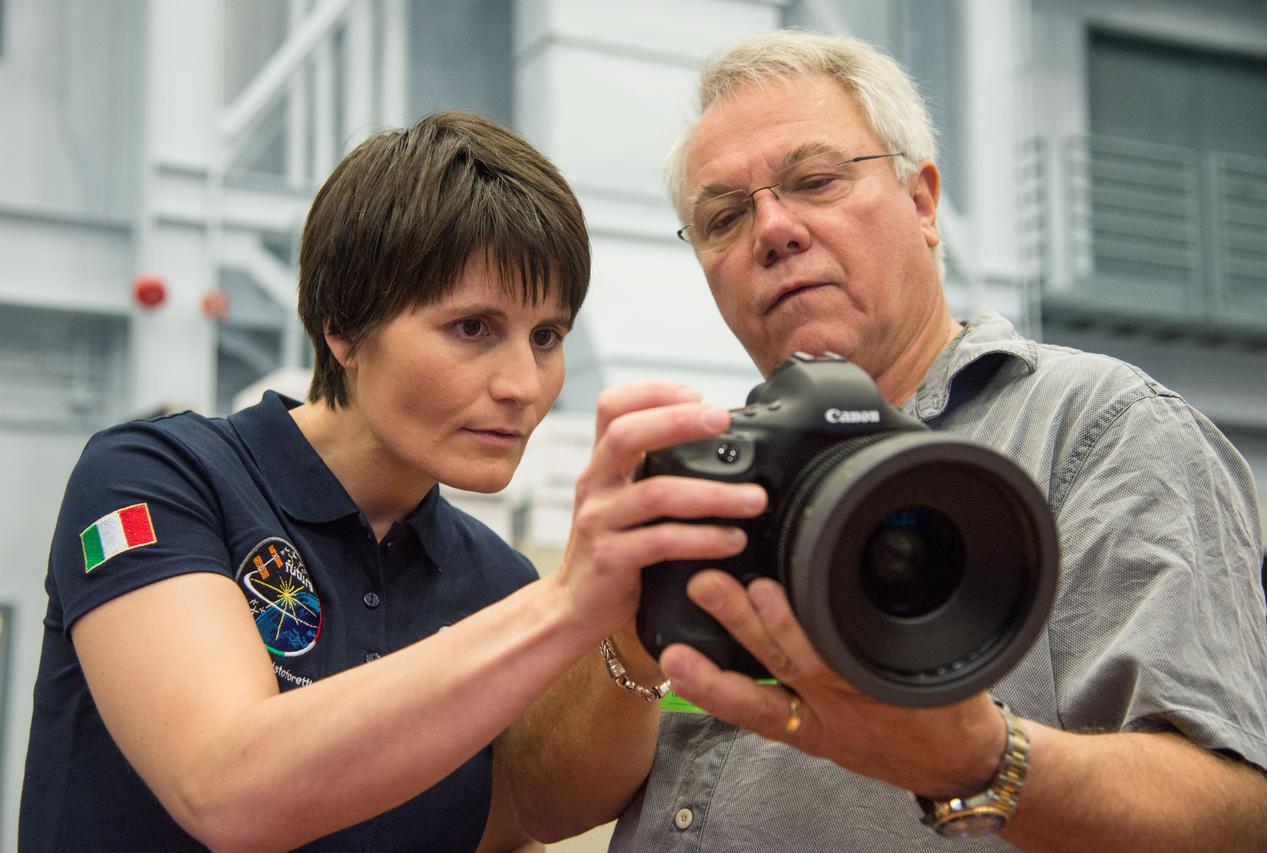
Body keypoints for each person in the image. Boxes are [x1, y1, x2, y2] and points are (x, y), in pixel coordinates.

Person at [584, 30, 1267, 851]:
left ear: (921, 202)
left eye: (816, 180)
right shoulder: (701, 479)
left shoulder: (1098, 429)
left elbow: (1242, 820)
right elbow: (543, 803)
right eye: (724, 217)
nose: (772, 228)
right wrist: (616, 626)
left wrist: (983, 759)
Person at [18, 110, 766, 851]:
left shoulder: (497, 581)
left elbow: (529, 821)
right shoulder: (159, 479)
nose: (522, 384)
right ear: (343, 328)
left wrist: (630, 632)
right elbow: (225, 790)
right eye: (472, 328)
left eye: (547, 336)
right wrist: (569, 601)